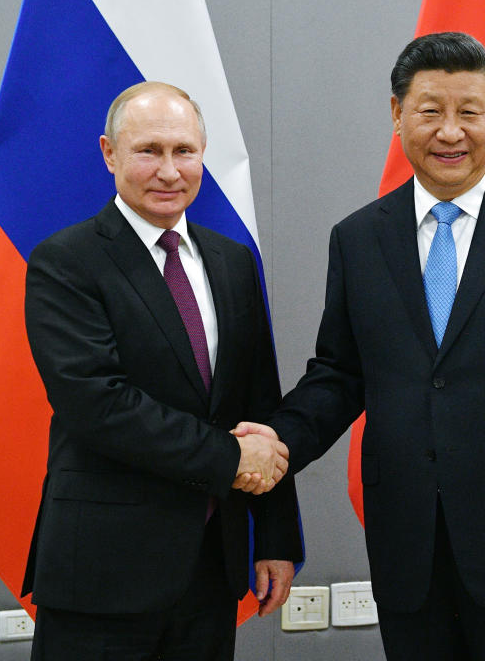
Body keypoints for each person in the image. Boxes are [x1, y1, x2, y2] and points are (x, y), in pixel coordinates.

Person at [235, 32, 485, 660]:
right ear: (398, 115)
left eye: (469, 111)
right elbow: (340, 374)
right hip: (409, 540)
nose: (450, 131)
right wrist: (277, 440)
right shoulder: (360, 238)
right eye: (429, 111)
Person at [21, 81, 302, 661]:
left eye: (185, 151)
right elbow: (98, 404)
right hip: (103, 571)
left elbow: (258, 404)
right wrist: (230, 459)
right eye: (149, 150)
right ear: (109, 154)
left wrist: (274, 537)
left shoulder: (231, 261)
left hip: (210, 568)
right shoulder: (66, 262)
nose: (169, 171)